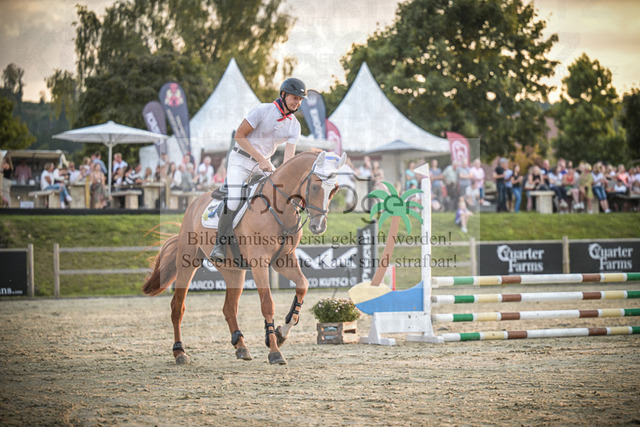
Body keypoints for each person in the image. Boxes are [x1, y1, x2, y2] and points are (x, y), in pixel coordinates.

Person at [210, 77, 306, 262]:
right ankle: (219, 244)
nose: (297, 102)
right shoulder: (262, 110)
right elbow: (239, 136)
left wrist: (291, 185)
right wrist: (261, 158)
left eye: (300, 99)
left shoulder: (295, 125)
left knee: (278, 194)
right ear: (283, 94)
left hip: (264, 165)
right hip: (241, 159)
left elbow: (288, 159)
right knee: (234, 199)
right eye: (295, 97)